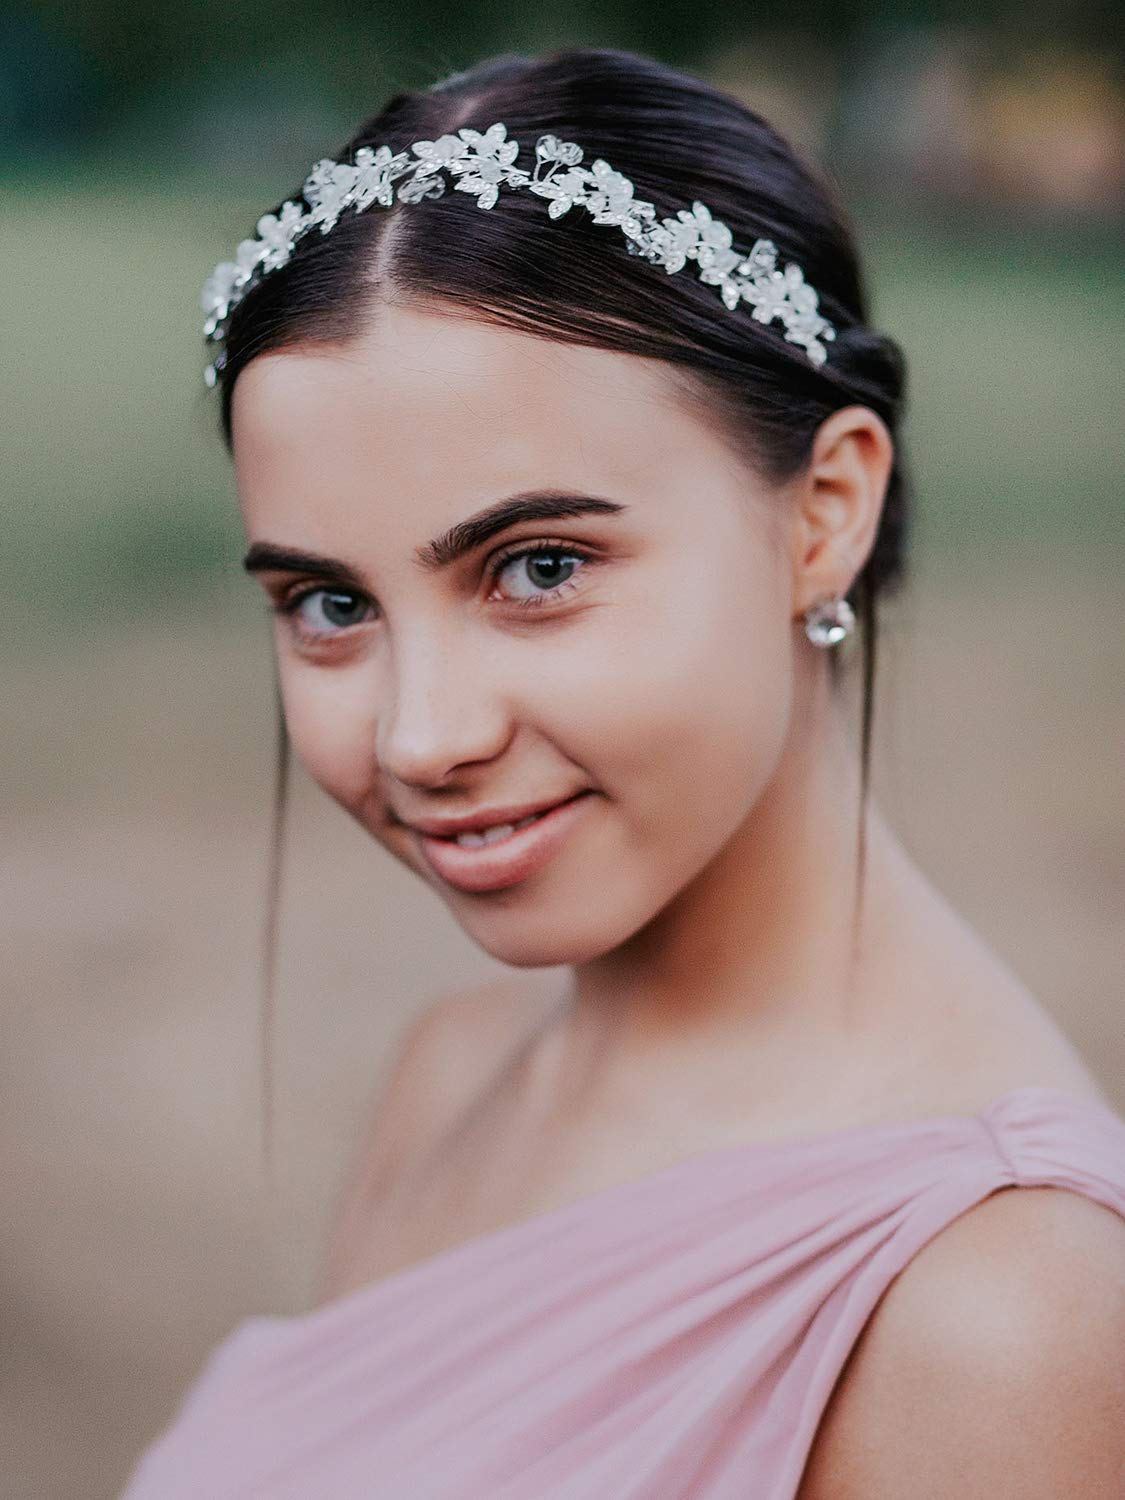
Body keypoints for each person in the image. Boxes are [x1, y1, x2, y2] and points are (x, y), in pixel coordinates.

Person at [121, 44, 1125, 1500]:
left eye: (536, 567)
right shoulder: (449, 1079)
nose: (419, 739)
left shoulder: (999, 1312)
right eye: (329, 605)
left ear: (825, 511)